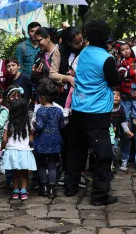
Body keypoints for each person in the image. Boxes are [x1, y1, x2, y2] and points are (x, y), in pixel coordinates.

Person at [65, 19, 121, 206]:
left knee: (77, 150)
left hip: (78, 109)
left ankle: (70, 186)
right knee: (104, 155)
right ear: (106, 37)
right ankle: (99, 195)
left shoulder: (84, 52)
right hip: (97, 113)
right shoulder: (106, 58)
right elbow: (114, 81)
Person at [48, 26, 84, 185]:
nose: (80, 43)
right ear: (68, 42)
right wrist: (67, 79)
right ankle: (65, 170)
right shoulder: (59, 50)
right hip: (64, 100)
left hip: (83, 98)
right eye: (77, 42)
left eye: (81, 40)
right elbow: (52, 74)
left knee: (80, 137)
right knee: (65, 136)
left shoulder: (87, 49)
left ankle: (80, 171)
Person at [1, 99, 37, 200]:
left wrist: (3, 147)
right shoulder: (27, 124)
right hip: (24, 151)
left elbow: (4, 139)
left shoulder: (8, 123)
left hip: (12, 151)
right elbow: (30, 139)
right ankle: (24, 191)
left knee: (16, 173)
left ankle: (16, 191)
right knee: (24, 173)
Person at [34, 81, 64, 199]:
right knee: (52, 165)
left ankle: (44, 187)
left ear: (42, 97)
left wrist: (34, 124)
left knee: (41, 164)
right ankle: (52, 188)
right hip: (55, 141)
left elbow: (40, 127)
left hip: (42, 141)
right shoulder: (58, 110)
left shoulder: (40, 111)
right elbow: (61, 125)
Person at [115, 41, 136, 127]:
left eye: (127, 48)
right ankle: (126, 126)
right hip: (126, 89)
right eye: (123, 50)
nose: (126, 51)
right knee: (126, 108)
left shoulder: (133, 60)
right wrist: (133, 72)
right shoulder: (121, 63)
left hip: (135, 86)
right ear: (120, 52)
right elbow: (122, 74)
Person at [112, 89, 134, 173]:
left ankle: (113, 165)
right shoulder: (106, 107)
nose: (116, 96)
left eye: (118, 95)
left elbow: (123, 121)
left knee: (115, 150)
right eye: (114, 94)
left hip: (115, 135)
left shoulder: (121, 109)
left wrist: (127, 131)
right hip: (105, 134)